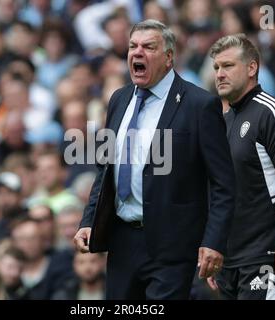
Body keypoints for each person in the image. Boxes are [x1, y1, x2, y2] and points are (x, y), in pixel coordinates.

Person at [73, 19, 236, 300]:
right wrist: (89, 220)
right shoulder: (118, 99)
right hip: (123, 241)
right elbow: (105, 169)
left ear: (169, 57)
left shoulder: (200, 104)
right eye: (133, 46)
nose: (138, 53)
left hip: (173, 244)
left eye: (149, 47)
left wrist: (213, 242)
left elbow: (223, 183)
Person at [207, 33, 275, 300]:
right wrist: (214, 248)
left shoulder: (273, 112)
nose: (219, 74)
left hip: (267, 255)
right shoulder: (222, 122)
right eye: (216, 67)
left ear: (252, 68)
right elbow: (218, 192)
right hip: (229, 261)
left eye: (228, 66)